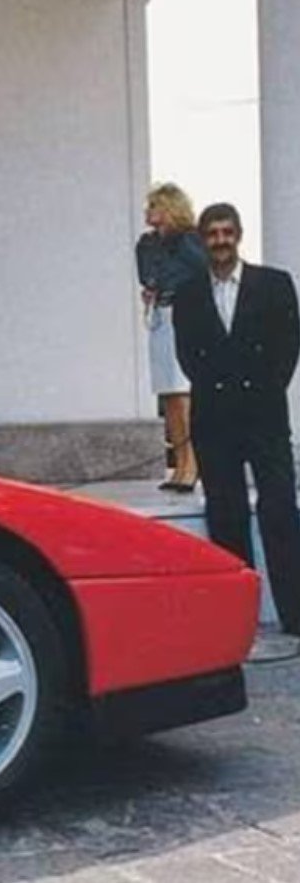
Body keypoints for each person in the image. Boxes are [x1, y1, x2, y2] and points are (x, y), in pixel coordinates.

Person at [174, 202, 300, 634]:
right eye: (212, 234)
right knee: (226, 517)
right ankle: (236, 623)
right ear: (202, 240)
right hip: (215, 419)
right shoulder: (188, 294)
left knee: (280, 511)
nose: (220, 241)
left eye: (227, 232)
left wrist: (262, 390)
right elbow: (187, 355)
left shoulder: (275, 284)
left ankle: (295, 616)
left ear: (239, 235)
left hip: (265, 417)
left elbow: (288, 347)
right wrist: (221, 390)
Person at [135, 183, 207, 491]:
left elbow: (202, 270)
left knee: (182, 393)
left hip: (185, 312)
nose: (149, 211)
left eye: (155, 206)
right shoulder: (147, 243)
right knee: (168, 394)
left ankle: (192, 465)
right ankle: (179, 463)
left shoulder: (190, 240)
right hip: (161, 313)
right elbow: (146, 275)